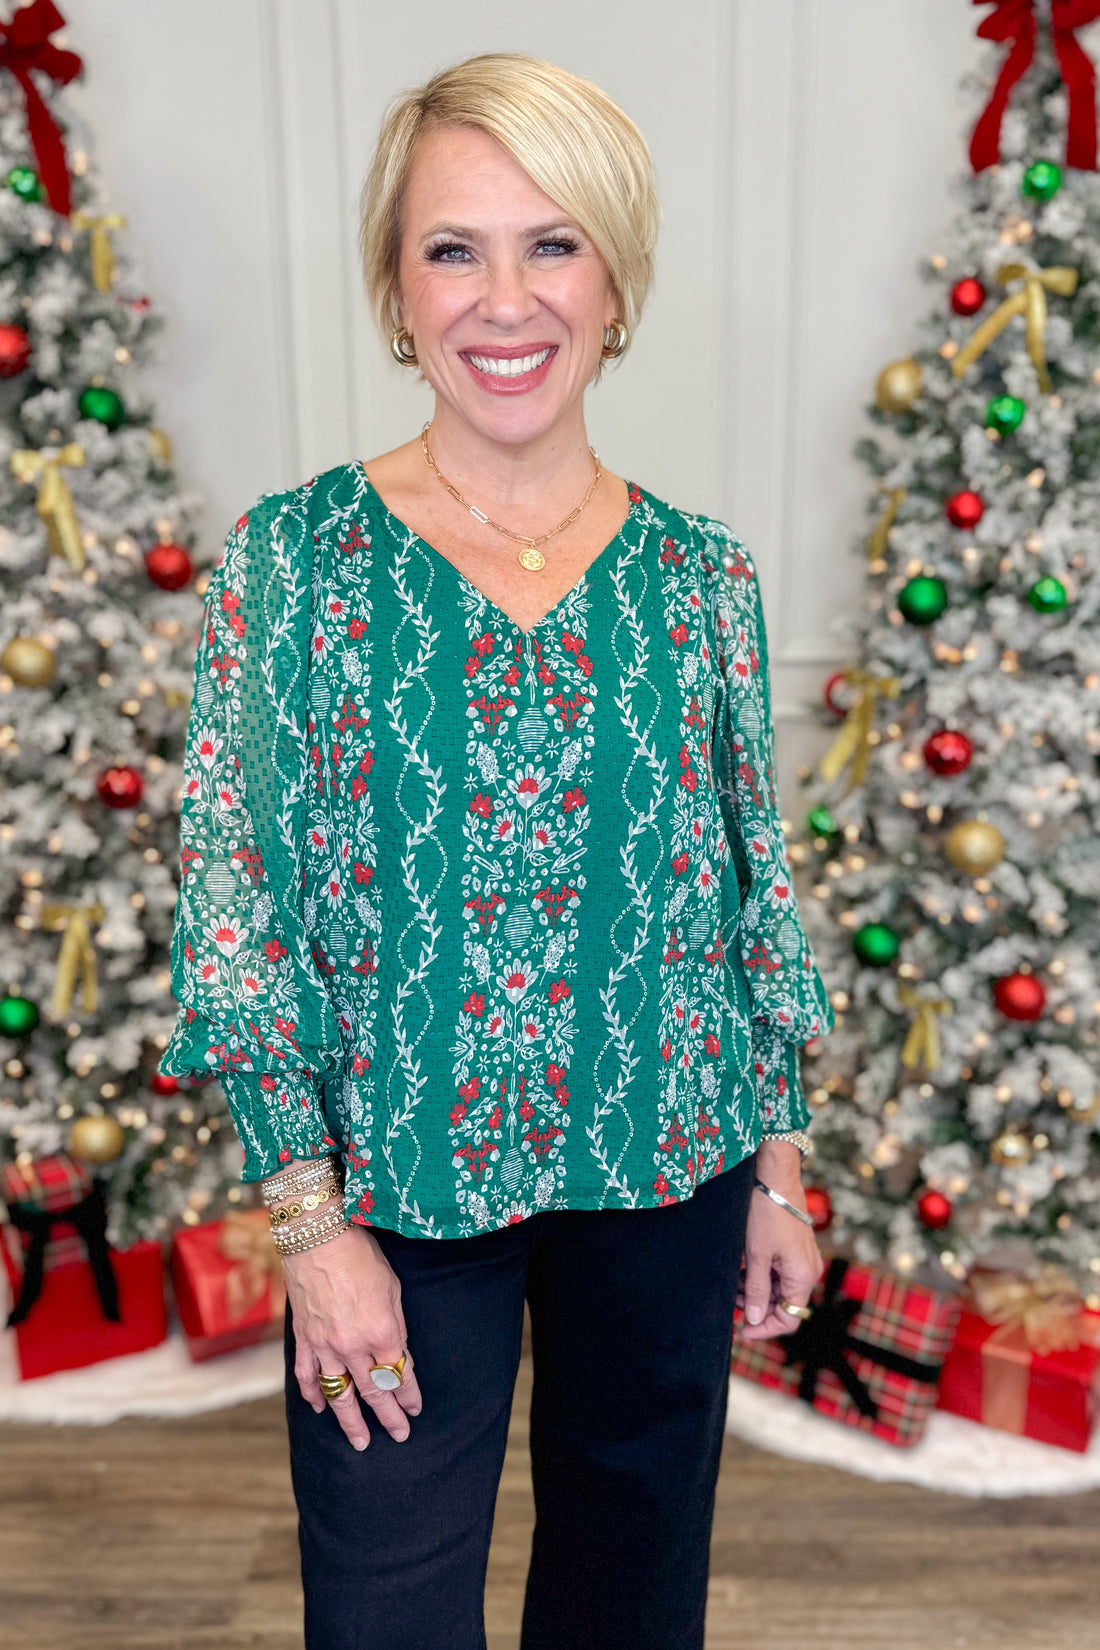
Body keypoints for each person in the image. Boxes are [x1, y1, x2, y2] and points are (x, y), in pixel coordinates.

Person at [162, 51, 834, 1650]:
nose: (503, 299)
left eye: (553, 243)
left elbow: (751, 879)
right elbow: (231, 901)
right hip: (394, 1189)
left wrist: (781, 1164)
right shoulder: (295, 560)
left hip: (669, 1165)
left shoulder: (701, 578)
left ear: (616, 277)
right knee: (386, 1606)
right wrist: (315, 1230)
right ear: (399, 291)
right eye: (452, 248)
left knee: (631, 1591)